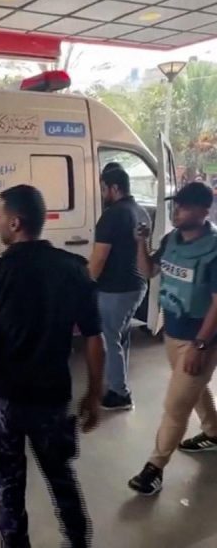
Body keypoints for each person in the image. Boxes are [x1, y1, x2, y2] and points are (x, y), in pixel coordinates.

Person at [0, 185, 105, 548]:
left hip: (4, 402)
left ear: (15, 223)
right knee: (61, 477)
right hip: (52, 398)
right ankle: (78, 541)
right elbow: (95, 339)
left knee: (8, 490)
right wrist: (94, 395)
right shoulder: (74, 269)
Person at [129, 182, 217, 496]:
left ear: (204, 211)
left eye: (184, 206)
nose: (176, 211)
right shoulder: (171, 240)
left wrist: (201, 345)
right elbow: (148, 270)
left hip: (201, 340)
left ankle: (154, 468)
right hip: (172, 331)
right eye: (176, 205)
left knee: (175, 405)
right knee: (193, 387)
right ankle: (214, 432)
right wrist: (141, 242)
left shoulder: (214, 249)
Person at [88, 166, 150, 411]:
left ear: (114, 188)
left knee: (109, 338)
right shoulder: (140, 211)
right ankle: (118, 383)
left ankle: (119, 394)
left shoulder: (111, 215)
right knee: (121, 337)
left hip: (115, 289)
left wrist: (85, 284)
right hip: (137, 286)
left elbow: (99, 259)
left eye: (104, 188)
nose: (102, 193)